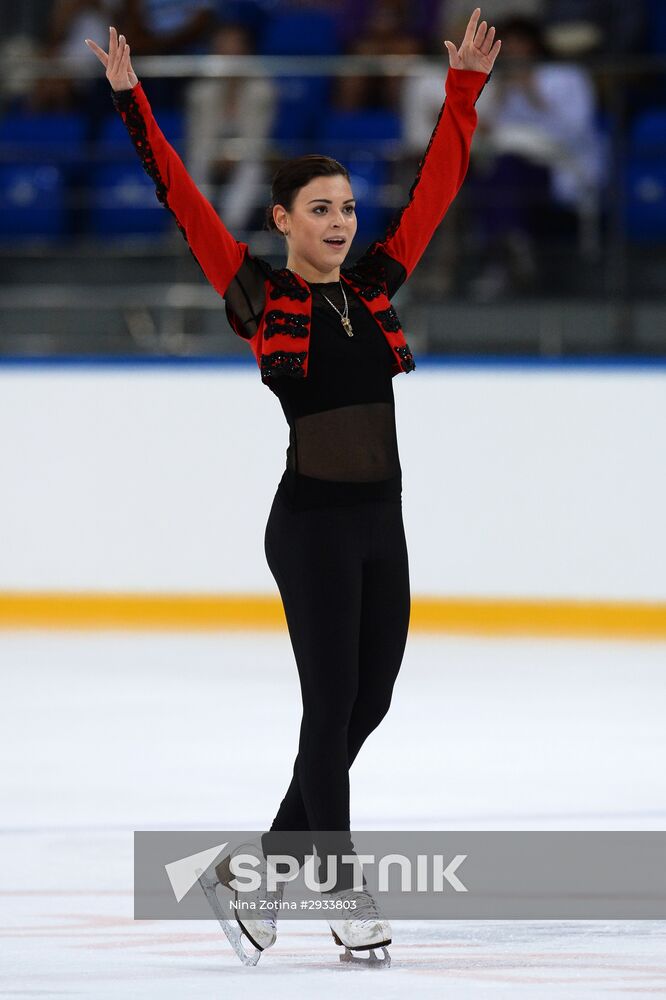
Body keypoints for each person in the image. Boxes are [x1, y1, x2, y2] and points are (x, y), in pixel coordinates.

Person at [85, 9, 501, 963]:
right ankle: (342, 891)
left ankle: (254, 874)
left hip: (381, 521)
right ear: (282, 221)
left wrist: (463, 97)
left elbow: (435, 194)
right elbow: (182, 197)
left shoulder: (376, 288)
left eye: (347, 208)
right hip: (310, 525)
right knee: (328, 704)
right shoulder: (258, 296)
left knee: (372, 700)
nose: (340, 223)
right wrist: (131, 99)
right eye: (320, 209)